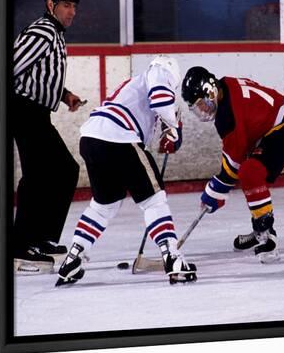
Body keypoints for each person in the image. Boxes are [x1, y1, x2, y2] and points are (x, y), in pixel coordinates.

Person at [56, 55, 197, 286]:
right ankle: (172, 258)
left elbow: (151, 127)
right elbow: (161, 101)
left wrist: (167, 132)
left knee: (103, 205)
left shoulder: (135, 86)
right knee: (153, 200)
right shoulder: (159, 72)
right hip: (119, 137)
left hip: (92, 138)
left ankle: (73, 257)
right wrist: (173, 124)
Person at [181, 67, 284, 263]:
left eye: (201, 104)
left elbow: (233, 167)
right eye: (196, 108)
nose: (203, 111)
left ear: (210, 91)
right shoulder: (226, 83)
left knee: (249, 171)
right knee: (249, 169)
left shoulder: (226, 116)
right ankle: (259, 229)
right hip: (279, 129)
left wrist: (215, 190)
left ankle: (267, 234)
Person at [12, 0, 85, 274]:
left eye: (74, 6)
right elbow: (11, 66)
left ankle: (40, 237)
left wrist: (64, 94)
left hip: (36, 112)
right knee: (38, 174)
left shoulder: (55, 33)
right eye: (66, 5)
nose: (72, 12)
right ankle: (19, 245)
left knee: (65, 170)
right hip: (23, 109)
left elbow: (41, 73)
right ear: (50, 5)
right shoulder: (42, 31)